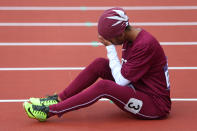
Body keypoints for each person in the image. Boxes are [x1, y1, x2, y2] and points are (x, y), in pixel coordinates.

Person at [23, 7, 171, 122]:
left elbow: (121, 80)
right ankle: (59, 98)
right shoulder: (130, 37)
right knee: (99, 64)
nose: (110, 43)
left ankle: (49, 111)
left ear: (120, 34)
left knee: (104, 87)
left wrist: (110, 48)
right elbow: (125, 75)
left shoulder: (144, 45)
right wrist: (110, 46)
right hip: (138, 87)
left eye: (110, 40)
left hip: (154, 105)